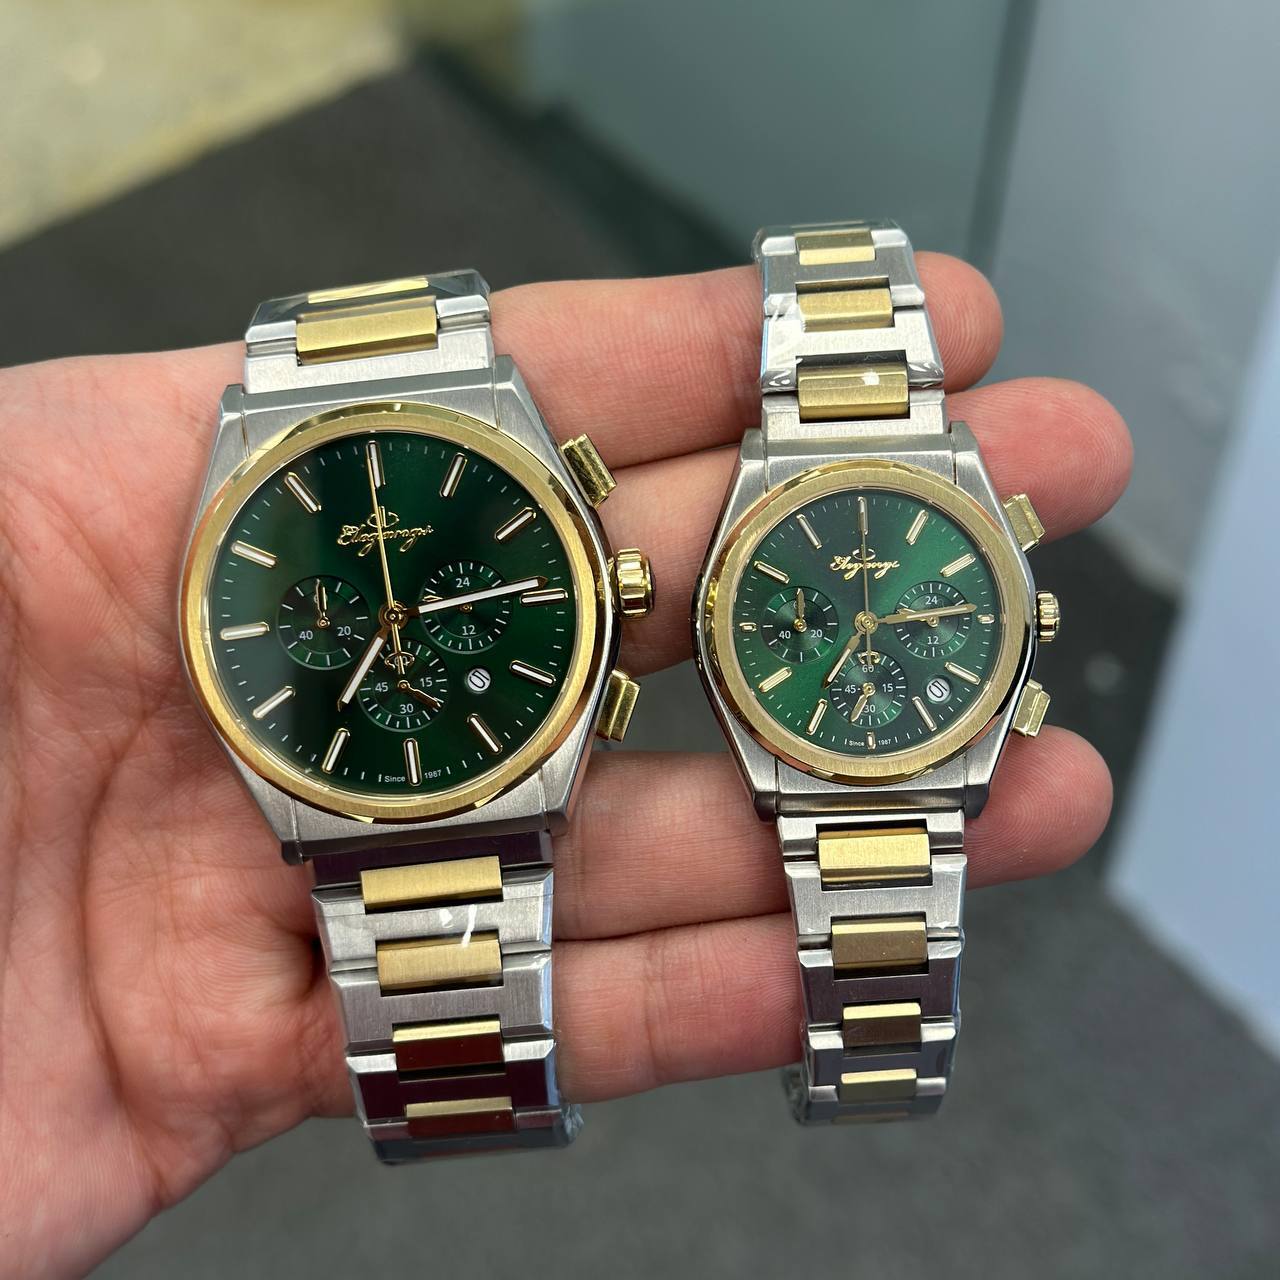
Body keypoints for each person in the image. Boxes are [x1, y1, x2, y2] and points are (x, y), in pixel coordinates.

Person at [0, 258, 1130, 1276]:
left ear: (616, 593)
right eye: (377, 615)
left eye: (419, 605)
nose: (394, 619)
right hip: (334, 775)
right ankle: (478, 1090)